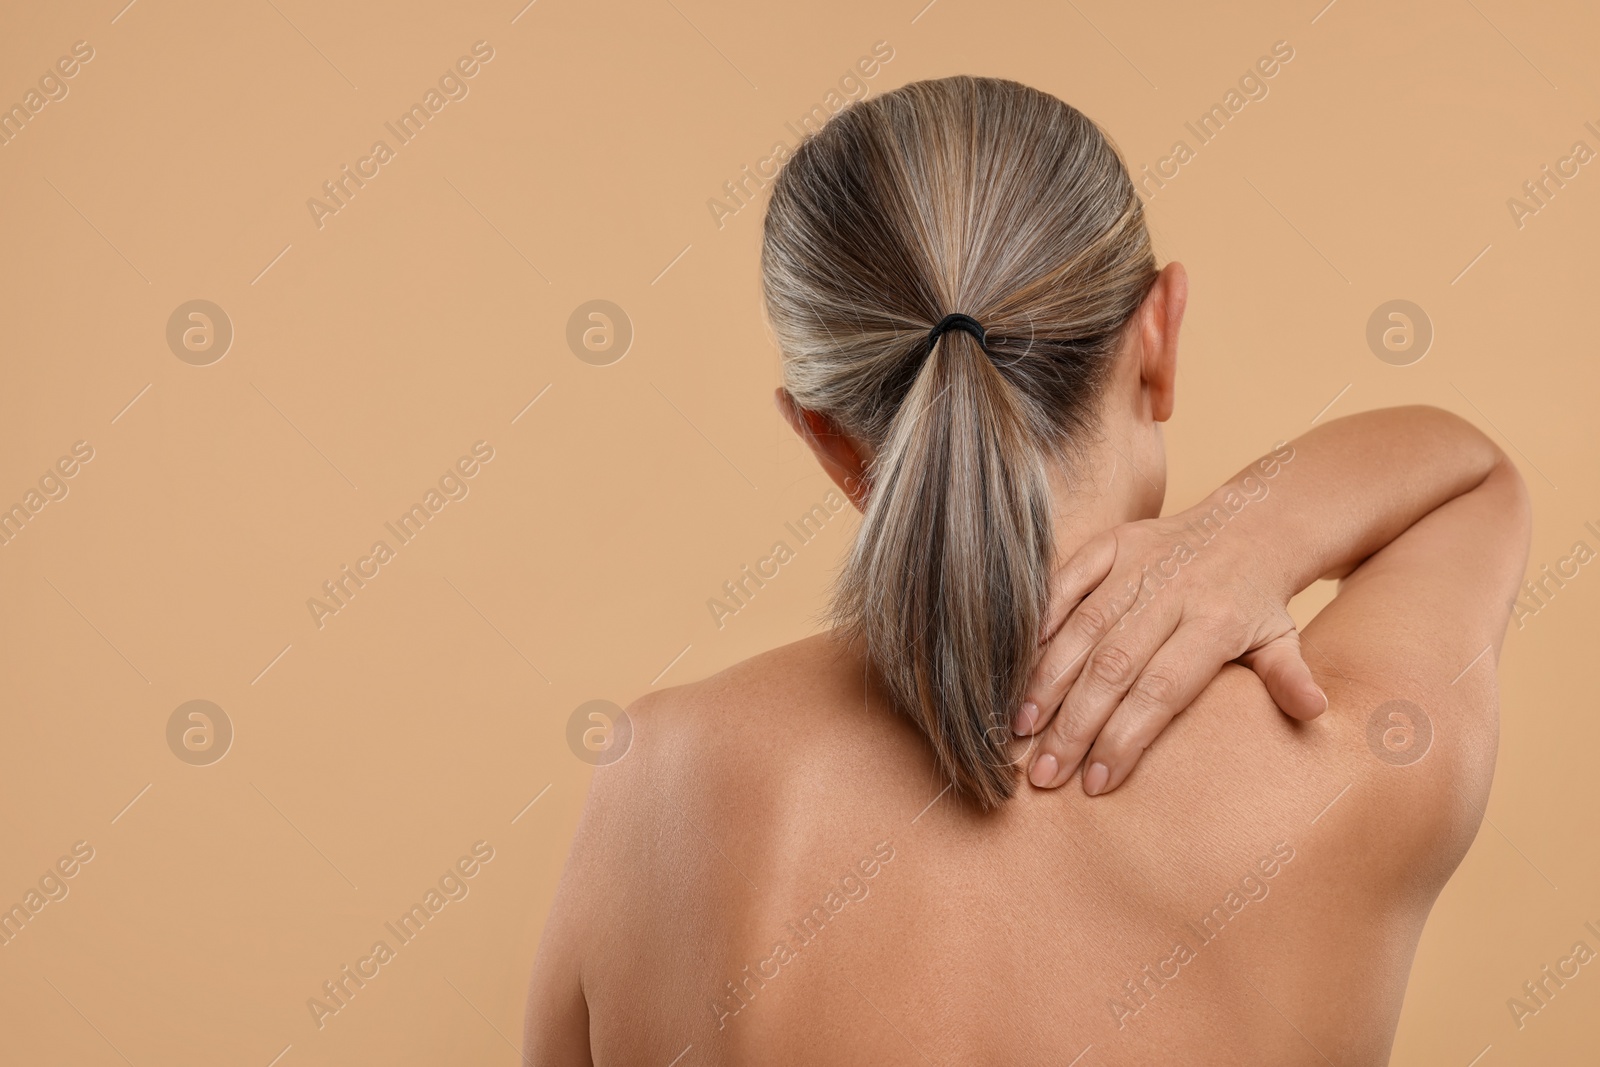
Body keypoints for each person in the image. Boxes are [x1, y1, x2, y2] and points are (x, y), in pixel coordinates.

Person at [525, 76, 1530, 1065]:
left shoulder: (653, 782)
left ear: (827, 439)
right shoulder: (1340, 757)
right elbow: (1474, 476)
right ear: (1159, 333)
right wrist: (1243, 527)